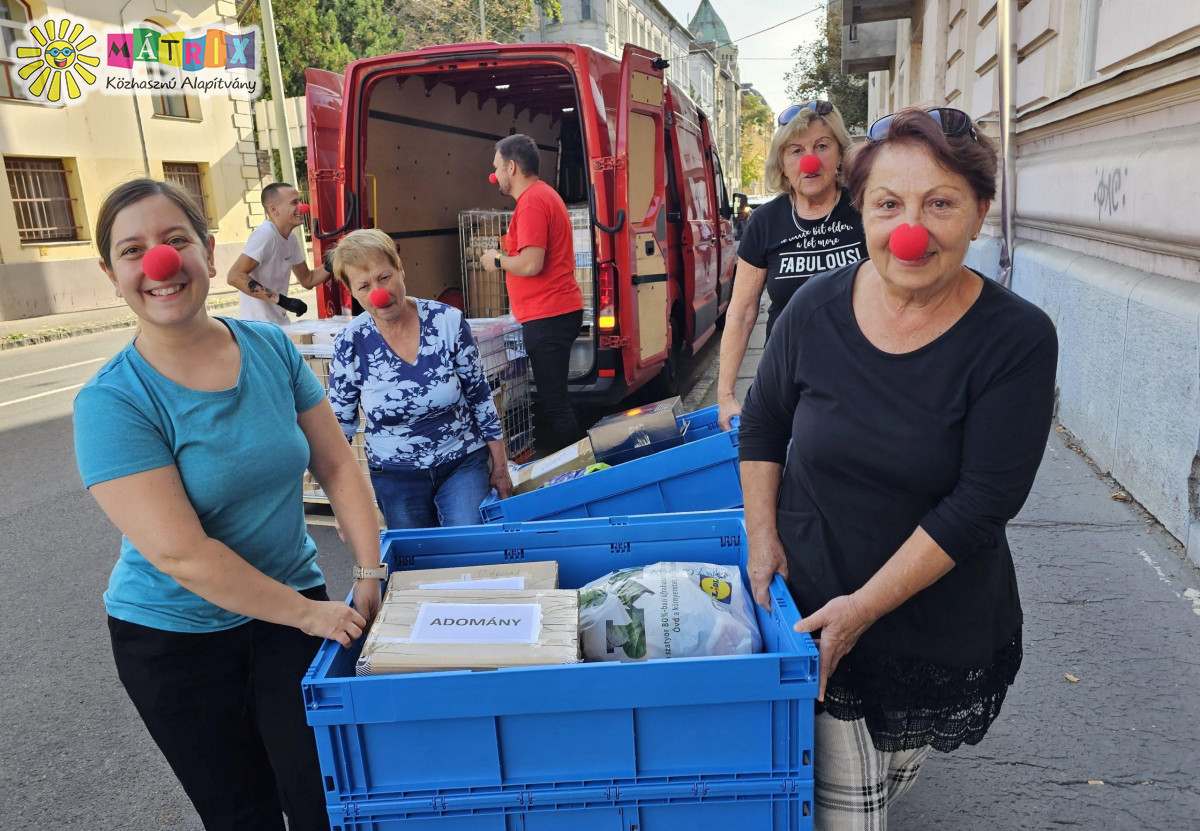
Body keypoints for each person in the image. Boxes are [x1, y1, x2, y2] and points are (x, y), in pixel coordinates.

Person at [737, 108, 1058, 828]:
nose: (910, 228)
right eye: (888, 204)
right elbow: (762, 422)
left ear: (980, 214)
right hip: (817, 607)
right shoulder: (815, 307)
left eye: (939, 203)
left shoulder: (1018, 340)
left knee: (873, 782)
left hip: (933, 628)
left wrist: (867, 608)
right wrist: (762, 540)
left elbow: (980, 502)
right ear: (862, 212)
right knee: (846, 811)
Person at [73, 179, 385, 831]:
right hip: (174, 640)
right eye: (133, 250)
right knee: (244, 815)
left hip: (288, 612)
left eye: (175, 240)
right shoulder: (114, 401)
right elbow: (179, 552)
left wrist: (367, 572)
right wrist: (308, 613)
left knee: (328, 797)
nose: (158, 262)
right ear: (112, 273)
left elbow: (335, 463)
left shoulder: (270, 349)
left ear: (210, 254)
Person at [327, 229, 513, 529]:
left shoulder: (447, 321)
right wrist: (341, 501)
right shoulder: (350, 343)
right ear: (352, 292)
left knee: (471, 550)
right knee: (418, 563)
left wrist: (501, 469)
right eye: (364, 285)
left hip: (461, 461)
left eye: (384, 277)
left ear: (400, 269)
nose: (378, 292)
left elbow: (480, 398)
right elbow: (339, 428)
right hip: (395, 475)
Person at [717, 101, 868, 431]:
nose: (809, 160)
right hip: (789, 376)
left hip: (862, 375)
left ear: (840, 155)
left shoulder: (866, 210)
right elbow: (742, 311)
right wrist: (726, 395)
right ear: (783, 165)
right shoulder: (765, 222)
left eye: (822, 146)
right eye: (796, 150)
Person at [479, 133, 584, 452]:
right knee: (555, 400)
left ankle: (585, 474)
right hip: (551, 313)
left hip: (549, 315)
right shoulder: (540, 197)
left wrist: (496, 260)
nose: (494, 174)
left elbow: (531, 263)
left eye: (497, 166)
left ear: (512, 167)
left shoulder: (534, 202)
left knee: (554, 404)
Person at [227, 182, 330, 324]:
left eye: (300, 201)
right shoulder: (265, 234)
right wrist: (282, 300)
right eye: (294, 202)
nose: (302, 207)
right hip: (259, 326)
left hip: (279, 324)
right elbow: (234, 276)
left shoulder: (291, 239)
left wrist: (333, 263)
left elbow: (308, 280)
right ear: (274, 209)